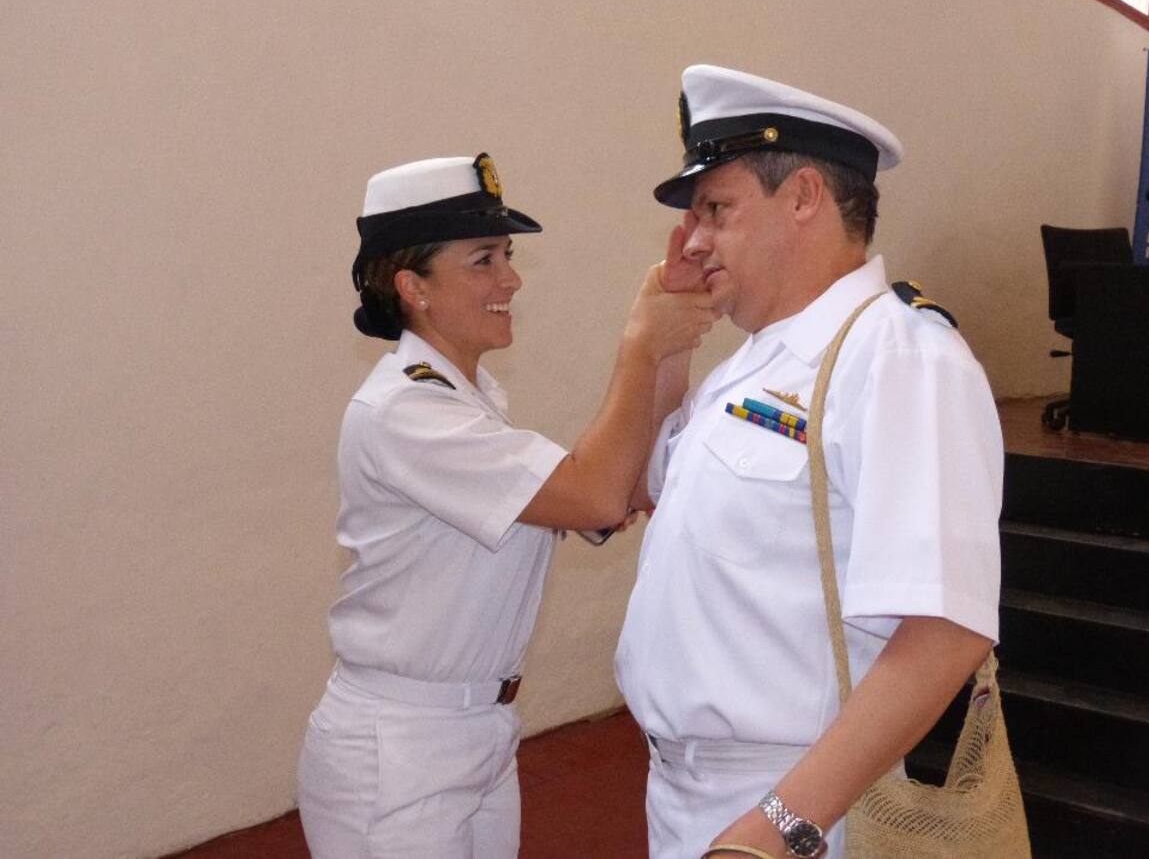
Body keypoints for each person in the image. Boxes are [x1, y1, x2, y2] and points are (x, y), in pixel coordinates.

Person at [615, 65, 1003, 859]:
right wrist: (661, 343)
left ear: (802, 196)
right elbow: (637, 488)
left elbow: (945, 631)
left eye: (716, 209)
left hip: (801, 807)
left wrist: (777, 831)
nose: (693, 239)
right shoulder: (756, 364)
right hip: (685, 791)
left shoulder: (900, 357)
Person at [297, 152, 718, 859]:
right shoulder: (404, 411)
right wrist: (641, 346)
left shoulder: (469, 401)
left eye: (507, 256)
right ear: (414, 287)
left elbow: (627, 488)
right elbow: (594, 493)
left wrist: (671, 346)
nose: (511, 278)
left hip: (478, 731)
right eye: (483, 260)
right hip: (400, 750)